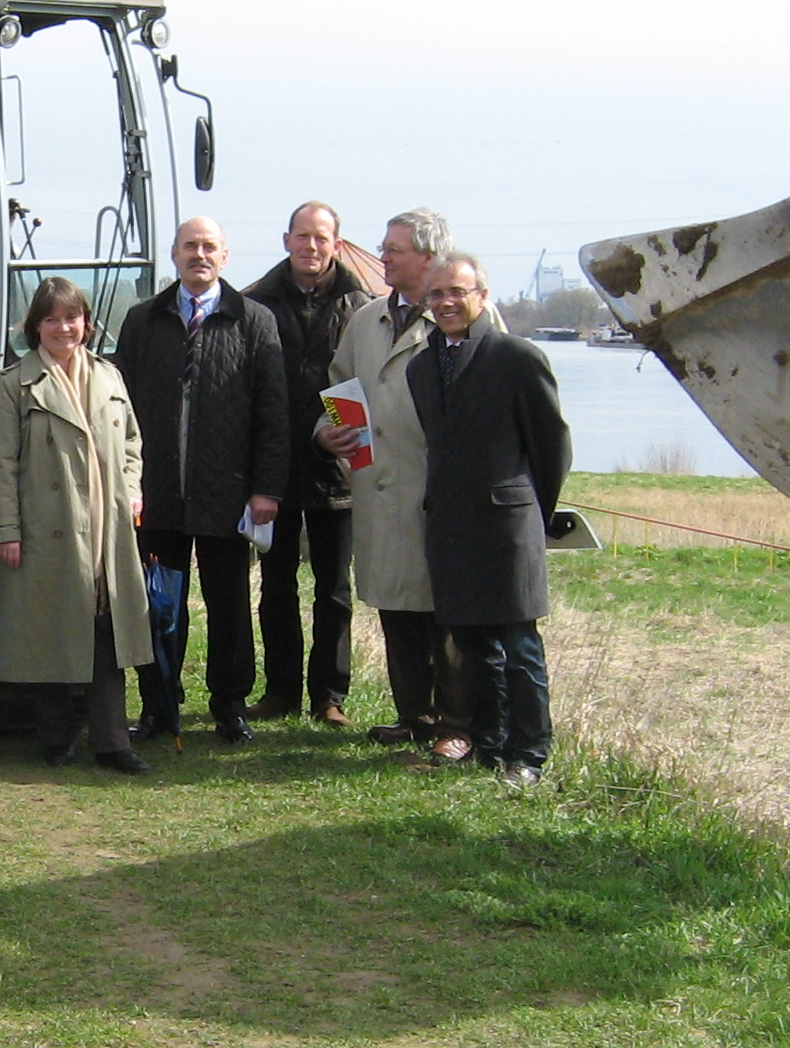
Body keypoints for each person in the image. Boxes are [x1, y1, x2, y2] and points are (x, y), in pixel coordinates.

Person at [109, 215, 289, 744]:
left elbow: (273, 414)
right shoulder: (144, 320)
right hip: (158, 494)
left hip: (228, 492)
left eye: (210, 246)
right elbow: (121, 409)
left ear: (225, 257)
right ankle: (160, 704)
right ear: (174, 254)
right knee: (159, 604)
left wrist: (267, 489)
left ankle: (229, 705)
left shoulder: (254, 321)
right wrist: (128, 482)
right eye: (190, 246)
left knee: (229, 603)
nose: (200, 255)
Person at [407, 253, 571, 782]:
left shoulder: (517, 358)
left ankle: (530, 755)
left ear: (481, 296)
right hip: (451, 525)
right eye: (436, 295)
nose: (447, 303)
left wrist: (531, 511)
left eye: (457, 292)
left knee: (519, 645)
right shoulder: (420, 366)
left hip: (507, 525)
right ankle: (490, 746)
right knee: (473, 645)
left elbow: (552, 448)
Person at [319, 207, 473, 763]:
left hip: (440, 497)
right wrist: (331, 432)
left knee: (447, 615)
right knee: (396, 608)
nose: (382, 256)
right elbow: (340, 386)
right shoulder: (366, 320)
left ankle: (457, 725)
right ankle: (413, 716)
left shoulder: (467, 317)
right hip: (378, 490)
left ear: (429, 257)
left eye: (395, 249)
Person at [0, 277, 153, 773]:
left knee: (107, 632)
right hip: (45, 530)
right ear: (36, 326)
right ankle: (56, 737)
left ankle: (112, 742)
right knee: (48, 630)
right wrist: (6, 531)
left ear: (87, 323)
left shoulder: (109, 377)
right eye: (52, 318)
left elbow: (132, 445)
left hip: (107, 530)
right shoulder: (13, 386)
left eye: (72, 317)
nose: (64, 327)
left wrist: (132, 487)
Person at [244, 200, 373, 728]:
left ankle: (329, 696)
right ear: (286, 240)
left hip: (337, 468)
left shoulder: (362, 306)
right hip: (274, 466)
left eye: (322, 238)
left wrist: (342, 436)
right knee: (276, 587)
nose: (311, 247)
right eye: (303, 236)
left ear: (336, 245)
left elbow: (359, 381)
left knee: (334, 590)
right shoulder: (255, 302)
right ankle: (279, 692)